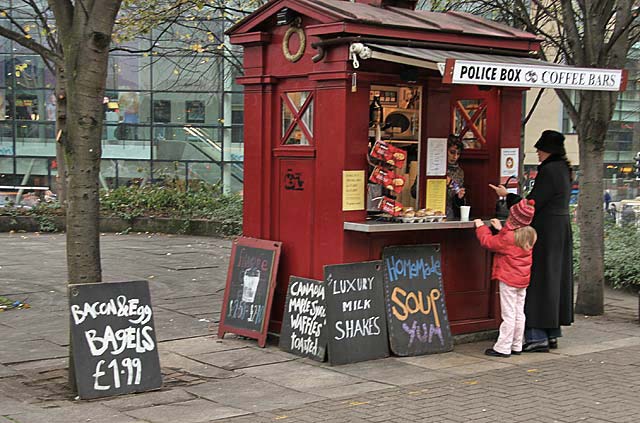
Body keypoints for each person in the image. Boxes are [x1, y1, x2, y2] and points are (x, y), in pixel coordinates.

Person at [489, 129, 573, 352]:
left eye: (540, 148)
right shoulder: (564, 168)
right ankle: (551, 332)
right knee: (553, 280)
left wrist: (506, 196)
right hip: (560, 229)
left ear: (548, 150)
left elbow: (532, 206)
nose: (537, 151)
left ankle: (536, 335)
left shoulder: (549, 170)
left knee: (536, 281)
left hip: (544, 231)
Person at [474, 199, 537, 357]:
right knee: (518, 313)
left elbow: (489, 242)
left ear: (513, 219)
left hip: (508, 279)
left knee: (508, 314)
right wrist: (501, 229)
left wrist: (481, 227)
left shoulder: (508, 237)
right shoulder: (529, 235)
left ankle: (503, 347)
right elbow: (509, 241)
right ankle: (517, 344)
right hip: (522, 280)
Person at [412, 134, 466, 218]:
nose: (455, 157)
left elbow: (458, 203)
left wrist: (459, 196)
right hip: (427, 213)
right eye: (452, 152)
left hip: (447, 214)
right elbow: (414, 192)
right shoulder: (428, 168)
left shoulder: (459, 172)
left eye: (458, 154)